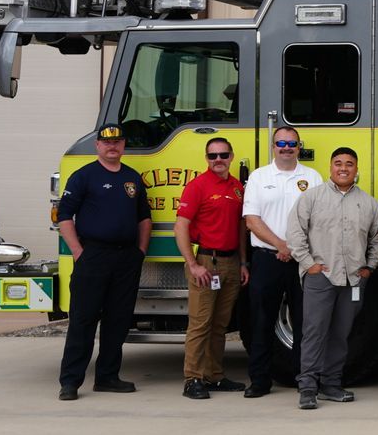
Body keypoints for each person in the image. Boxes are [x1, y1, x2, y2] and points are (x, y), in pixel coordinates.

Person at [54, 124, 151, 401]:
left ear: (123, 146)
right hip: (92, 256)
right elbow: (64, 217)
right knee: (83, 321)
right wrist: (78, 252)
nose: (113, 147)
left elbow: (144, 218)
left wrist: (140, 251)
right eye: (107, 143)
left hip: (126, 258)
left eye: (118, 142)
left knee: (117, 320)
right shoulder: (83, 176)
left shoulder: (132, 178)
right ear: (98, 146)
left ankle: (108, 377)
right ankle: (70, 382)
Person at [287, 147, 378, 410]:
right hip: (321, 277)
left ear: (356, 168)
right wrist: (309, 265)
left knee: (341, 334)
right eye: (338, 163)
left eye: (349, 164)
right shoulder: (312, 198)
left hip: (353, 280)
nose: (343, 168)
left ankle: (331, 384)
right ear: (330, 167)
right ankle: (307, 387)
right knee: (313, 333)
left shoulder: (369, 203)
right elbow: (295, 234)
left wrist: (369, 267)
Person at [174, 136, 249, 399]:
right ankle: (192, 378)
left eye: (223, 155)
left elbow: (241, 227)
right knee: (200, 324)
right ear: (206, 159)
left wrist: (242, 262)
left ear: (231, 156)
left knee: (220, 325)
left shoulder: (238, 188)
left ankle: (214, 376)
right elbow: (181, 226)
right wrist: (192, 265)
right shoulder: (197, 186)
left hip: (230, 263)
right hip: (206, 262)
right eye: (213, 156)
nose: (218, 160)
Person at [241, 125, 311, 398]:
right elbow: (252, 220)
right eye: (281, 144)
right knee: (261, 321)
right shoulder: (259, 177)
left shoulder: (312, 177)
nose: (286, 148)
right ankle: (259, 381)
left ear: (298, 146)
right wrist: (281, 245)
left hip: (301, 260)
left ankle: (302, 379)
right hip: (267, 259)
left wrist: (294, 249)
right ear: (273, 147)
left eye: (291, 143)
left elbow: (317, 219)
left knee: (304, 323)